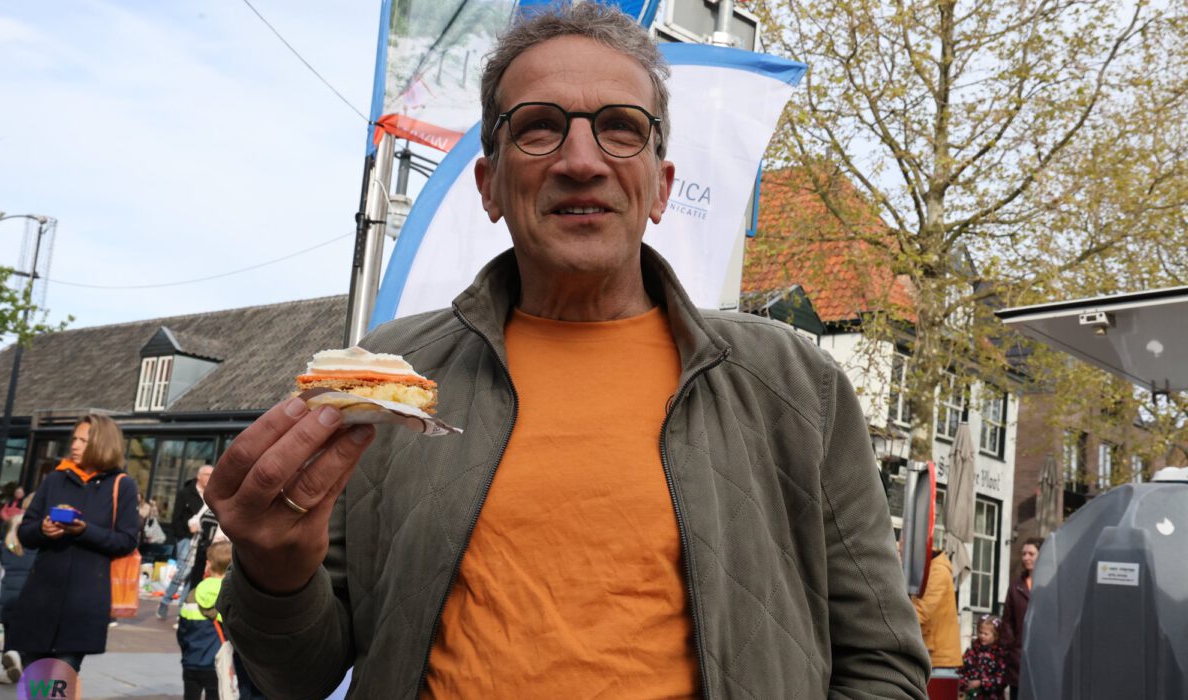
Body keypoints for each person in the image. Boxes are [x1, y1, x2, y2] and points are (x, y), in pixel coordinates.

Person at [209, 4, 929, 698]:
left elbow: (884, 668)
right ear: (489, 185)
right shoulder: (391, 380)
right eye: (538, 128)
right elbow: (298, 676)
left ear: (661, 188)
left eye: (620, 128)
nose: (581, 161)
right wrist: (274, 572)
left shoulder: (795, 387)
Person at [13, 414, 141, 673]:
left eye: (83, 440)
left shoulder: (122, 485)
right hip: (41, 598)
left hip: (84, 602)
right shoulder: (55, 478)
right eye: (74, 439)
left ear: (102, 444)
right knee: (35, 680)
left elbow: (127, 540)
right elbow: (25, 532)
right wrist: (43, 529)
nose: (74, 445)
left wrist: (84, 530)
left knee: (60, 681)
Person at [177, 541, 232, 700]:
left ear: (208, 565)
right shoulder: (232, 597)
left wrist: (187, 652)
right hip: (219, 663)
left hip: (191, 660)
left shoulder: (192, 594)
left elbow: (182, 631)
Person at [160, 465, 213, 620]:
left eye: (212, 475)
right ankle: (165, 602)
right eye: (207, 474)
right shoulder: (186, 493)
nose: (210, 478)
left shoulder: (211, 496)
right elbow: (176, 517)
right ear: (199, 476)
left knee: (193, 574)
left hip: (202, 540)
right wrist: (183, 534)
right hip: (186, 537)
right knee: (183, 571)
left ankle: (183, 608)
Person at [0, 496, 36, 684]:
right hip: (29, 592)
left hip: (8, 593)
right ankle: (21, 661)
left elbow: (2, 559)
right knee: (27, 632)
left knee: (10, 631)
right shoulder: (35, 532)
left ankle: (9, 666)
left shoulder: (10, 532)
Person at [1001, 536, 1042, 698]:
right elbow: (1007, 620)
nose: (1026, 558)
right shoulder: (1016, 586)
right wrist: (1011, 647)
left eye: (1031, 554)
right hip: (1018, 657)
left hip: (1042, 656)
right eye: (1024, 554)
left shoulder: (1051, 583)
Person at [910, 549, 962, 669]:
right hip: (931, 653)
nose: (900, 554)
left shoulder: (937, 571)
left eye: (902, 547)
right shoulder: (929, 570)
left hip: (938, 657)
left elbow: (922, 611)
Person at [958, 615, 1007, 699]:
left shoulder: (999, 654)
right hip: (972, 696)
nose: (982, 636)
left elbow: (1001, 679)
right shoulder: (972, 651)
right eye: (980, 632)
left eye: (986, 634)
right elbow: (961, 671)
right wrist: (965, 683)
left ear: (996, 636)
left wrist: (981, 683)